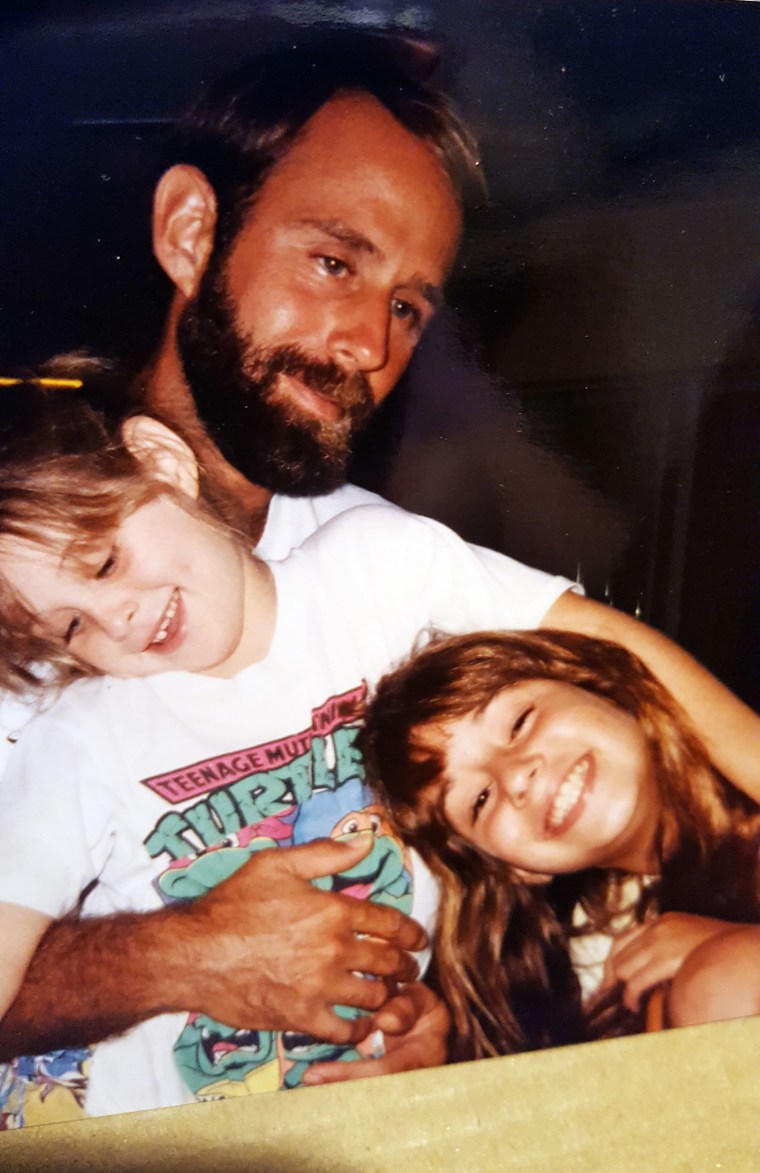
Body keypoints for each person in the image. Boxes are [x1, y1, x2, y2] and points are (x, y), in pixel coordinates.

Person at [1, 27, 757, 1103]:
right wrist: (177, 953)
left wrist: (430, 1022)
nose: (367, 341)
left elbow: (614, 669)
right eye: (331, 260)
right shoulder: (29, 559)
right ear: (188, 230)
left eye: (407, 305)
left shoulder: (367, 552)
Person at [0, 379, 578, 1116]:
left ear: (161, 460)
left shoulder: (374, 577)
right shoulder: (81, 737)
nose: (117, 620)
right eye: (72, 629)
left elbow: (603, 658)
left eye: (105, 562)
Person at [361, 628, 760, 1062]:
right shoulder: (592, 968)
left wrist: (731, 959)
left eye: (519, 722)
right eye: (479, 801)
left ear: (602, 688)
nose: (516, 777)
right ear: (516, 868)